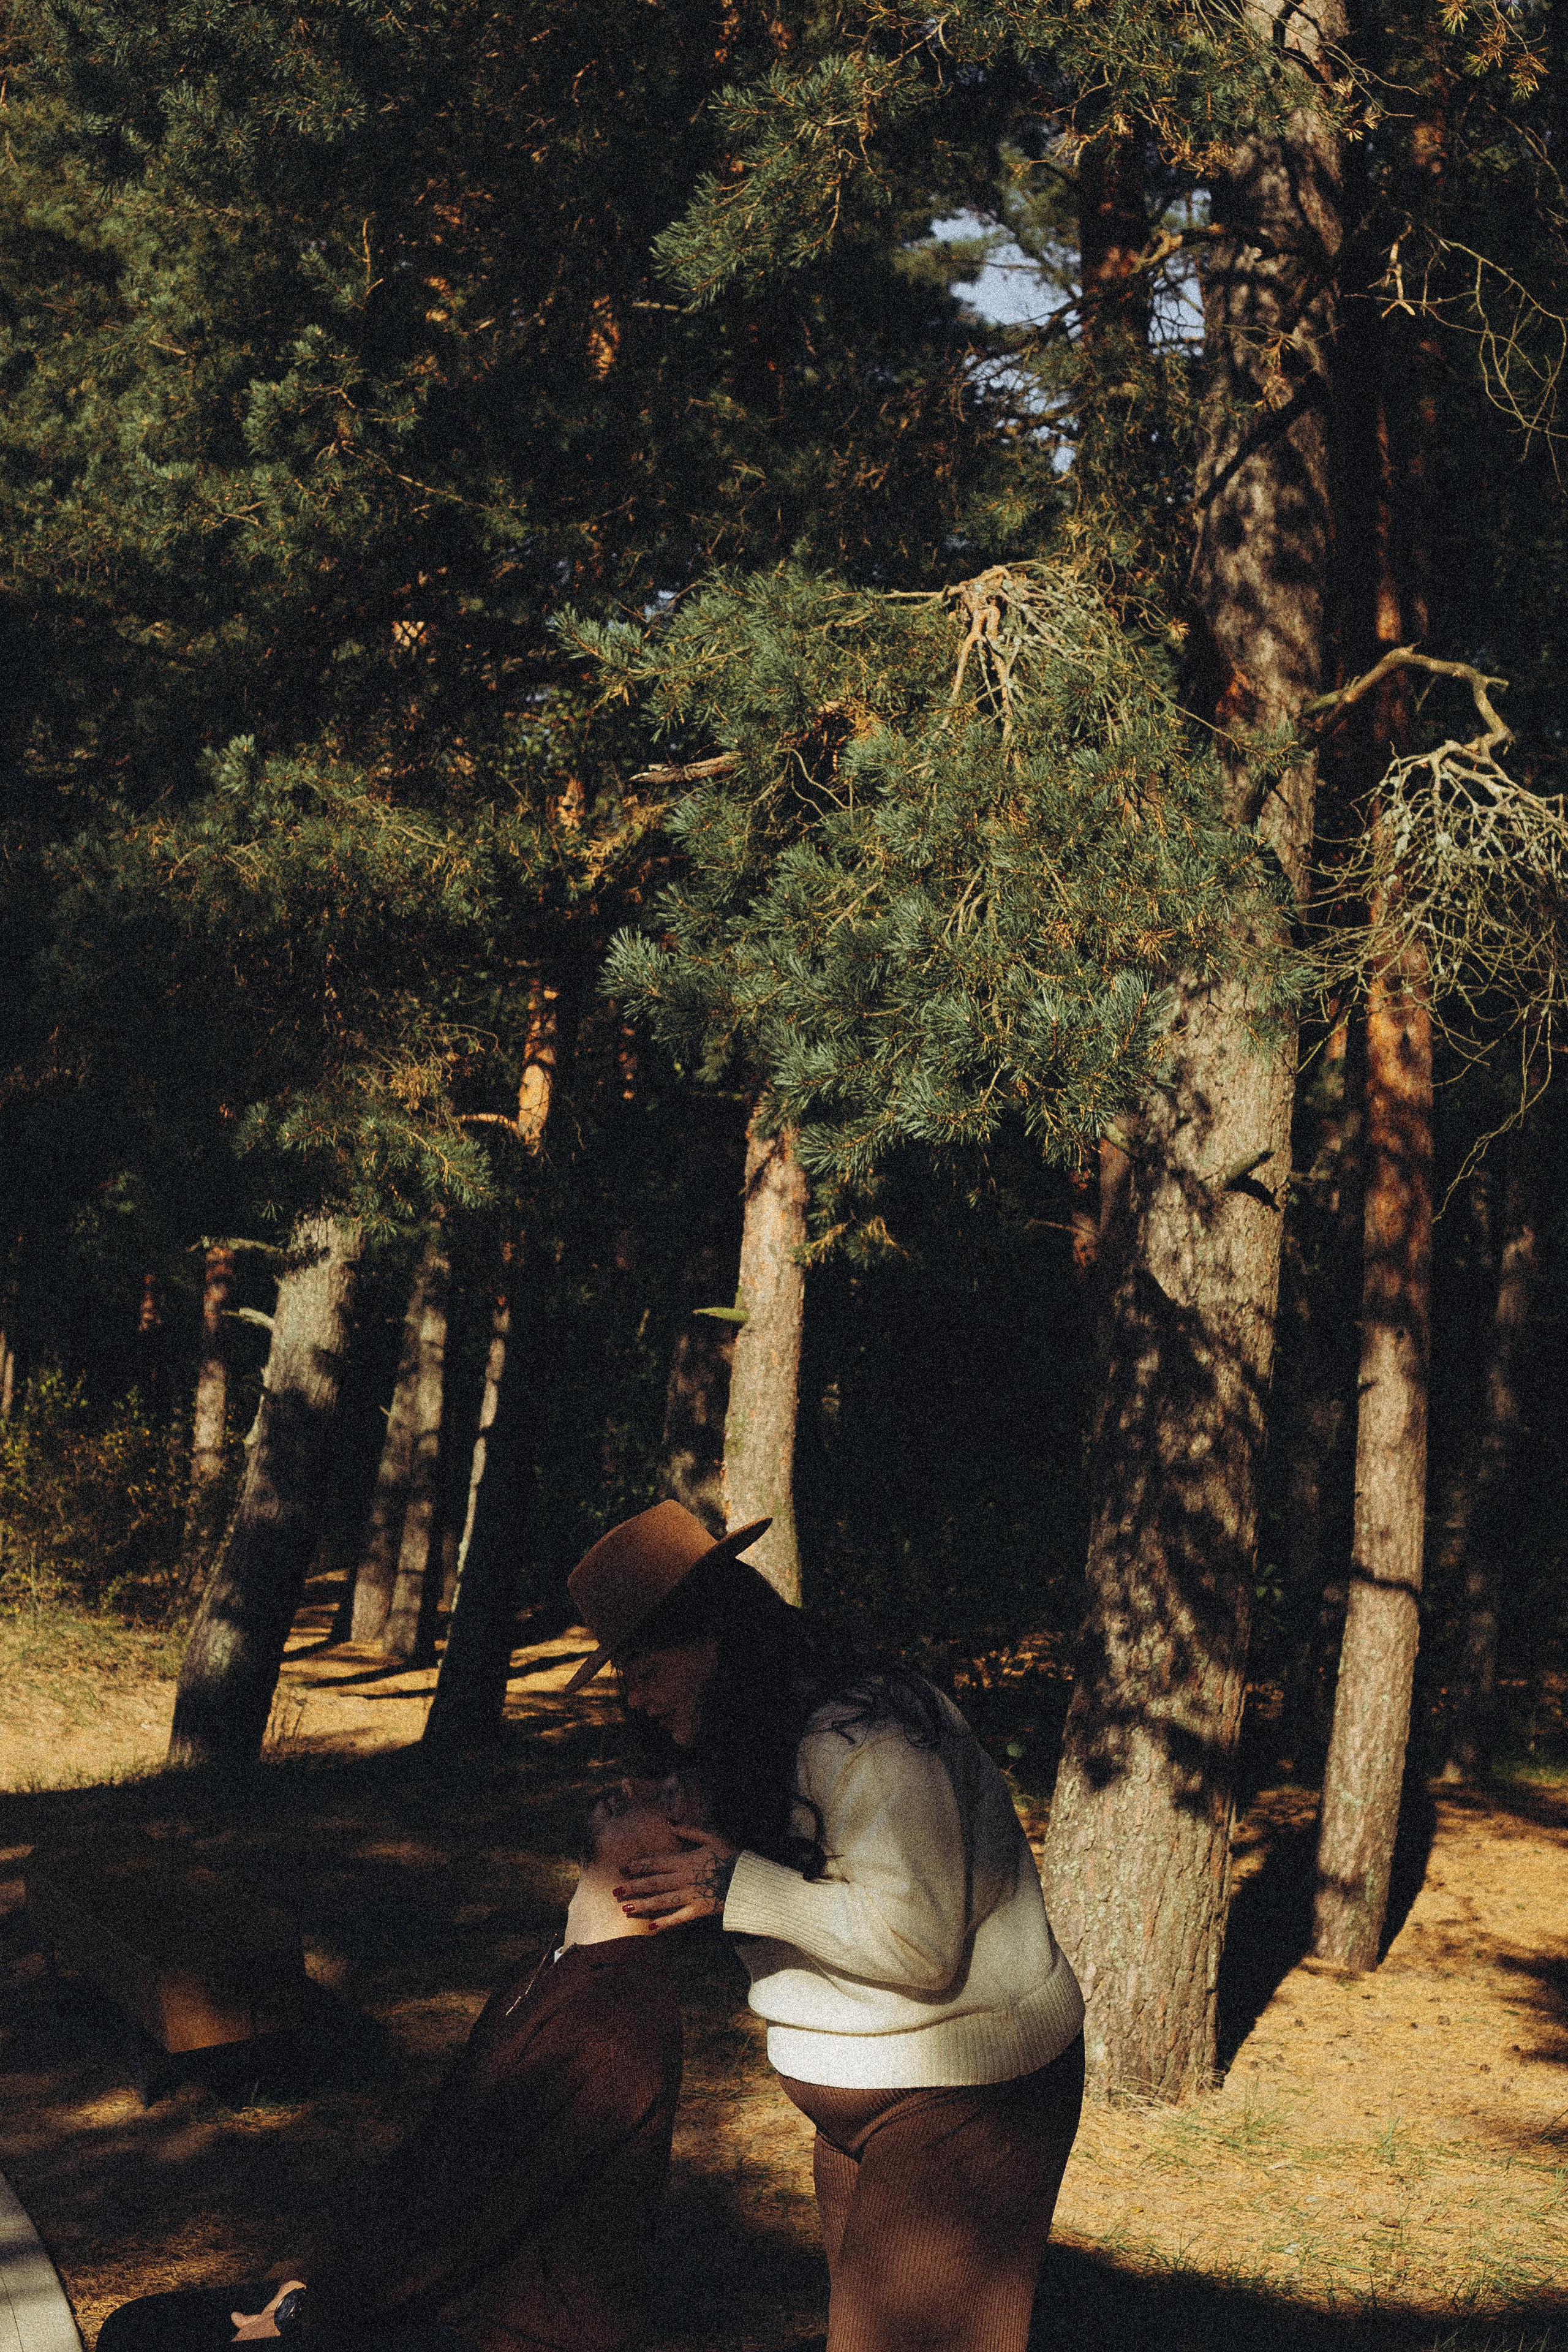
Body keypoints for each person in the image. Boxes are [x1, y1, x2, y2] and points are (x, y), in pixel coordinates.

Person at [563, 1499, 1087, 2352]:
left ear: (715, 1642)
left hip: (963, 2093)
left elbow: (917, 1942)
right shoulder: (752, 1733)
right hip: (866, 2099)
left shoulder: (866, 1737)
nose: (633, 1697)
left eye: (645, 1668)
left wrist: (737, 1886)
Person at [96, 1784, 687, 2352]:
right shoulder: (550, 1969)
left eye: (668, 1797)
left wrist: (306, 2312)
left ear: (692, 1861)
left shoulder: (619, 2017)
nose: (631, 1784)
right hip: (432, 2295)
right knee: (142, 2329)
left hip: (499, 2332)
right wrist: (307, 2276)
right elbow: (428, 2160)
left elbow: (474, 2215)